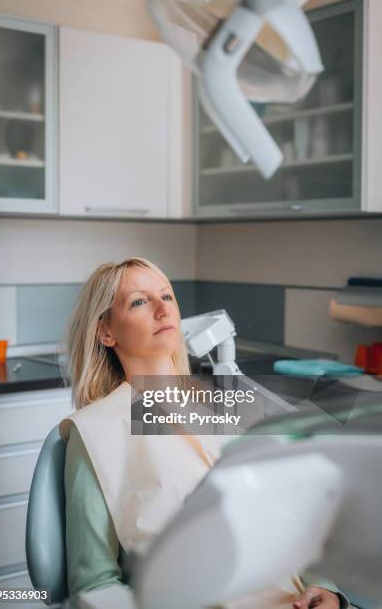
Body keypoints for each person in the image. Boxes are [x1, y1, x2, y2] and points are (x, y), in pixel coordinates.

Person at [60, 257, 349, 609]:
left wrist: (325, 587)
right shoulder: (95, 432)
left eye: (167, 297)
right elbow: (94, 583)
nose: (162, 310)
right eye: (139, 301)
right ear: (106, 331)